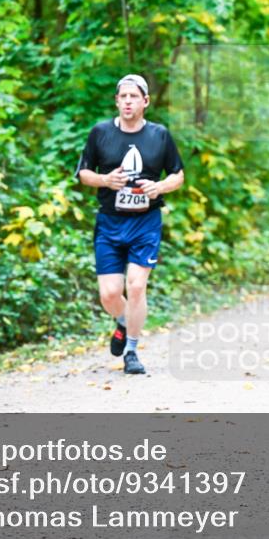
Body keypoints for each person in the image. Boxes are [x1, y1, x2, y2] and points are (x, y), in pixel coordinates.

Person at [76, 75, 185, 375]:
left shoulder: (159, 135)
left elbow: (178, 175)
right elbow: (83, 173)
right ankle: (124, 321)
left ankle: (132, 351)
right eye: (122, 97)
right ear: (116, 101)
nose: (127, 102)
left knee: (136, 286)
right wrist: (105, 180)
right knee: (110, 294)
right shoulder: (100, 133)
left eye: (133, 97)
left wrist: (160, 187)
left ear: (145, 102)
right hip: (110, 222)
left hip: (146, 222)